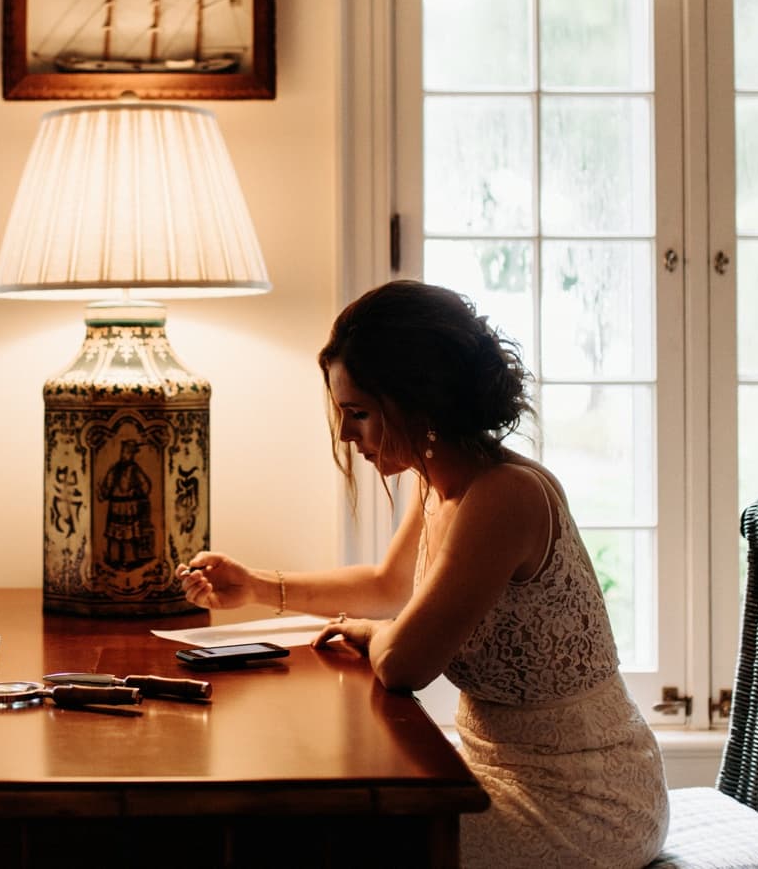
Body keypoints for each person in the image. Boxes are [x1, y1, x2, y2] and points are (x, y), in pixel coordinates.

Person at [178, 280, 669, 869]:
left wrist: (373, 634)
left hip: (583, 801)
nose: (345, 435)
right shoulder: (436, 481)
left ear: (418, 405)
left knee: (319, 843)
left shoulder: (504, 496)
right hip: (484, 770)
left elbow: (403, 662)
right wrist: (256, 585)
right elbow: (388, 587)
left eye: (358, 413)